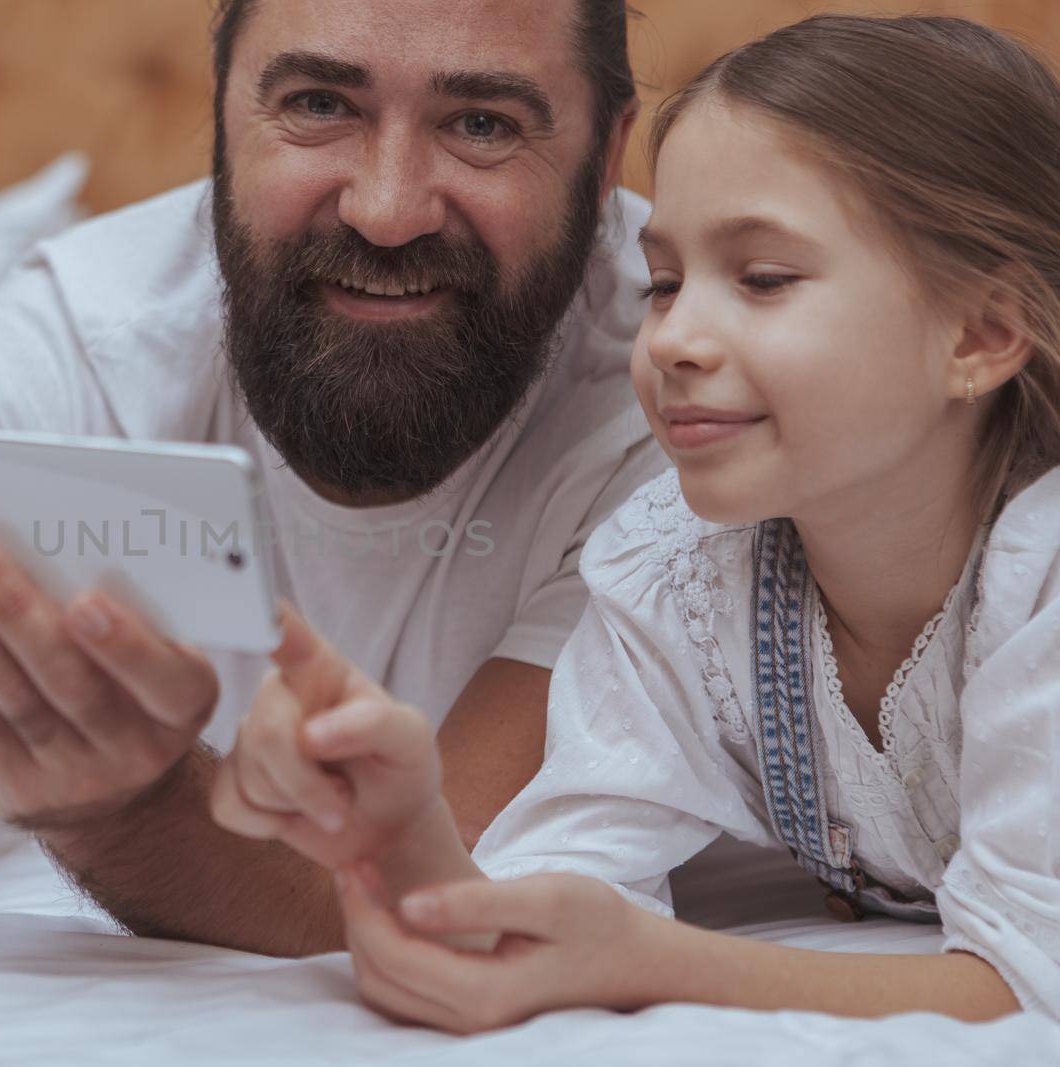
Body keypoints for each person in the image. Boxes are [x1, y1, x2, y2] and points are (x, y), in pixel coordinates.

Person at [0, 0, 666, 956]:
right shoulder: (76, 341)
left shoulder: (690, 388)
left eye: (482, 124)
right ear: (222, 111)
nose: (387, 209)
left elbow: (446, 906)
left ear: (605, 153)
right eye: (318, 105)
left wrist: (125, 808)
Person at [218, 12, 1060, 1025]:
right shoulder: (678, 565)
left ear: (982, 332)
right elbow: (562, 876)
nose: (676, 339)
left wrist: (658, 964)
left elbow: (1029, 979)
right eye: (664, 282)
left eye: (762, 278)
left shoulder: (1042, 572)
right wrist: (399, 829)